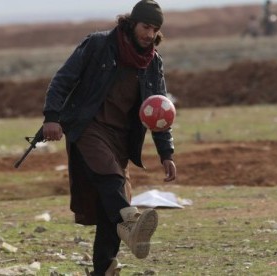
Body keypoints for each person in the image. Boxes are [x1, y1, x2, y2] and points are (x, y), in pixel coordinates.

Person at [42, 0, 176, 275]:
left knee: (108, 206)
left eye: (155, 29)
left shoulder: (153, 62)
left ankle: (104, 268)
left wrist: (166, 154)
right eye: (145, 26)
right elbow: (63, 79)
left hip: (121, 139)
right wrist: (52, 117)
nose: (149, 34)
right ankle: (132, 221)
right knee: (112, 179)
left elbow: (159, 110)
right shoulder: (98, 45)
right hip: (89, 127)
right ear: (132, 23)